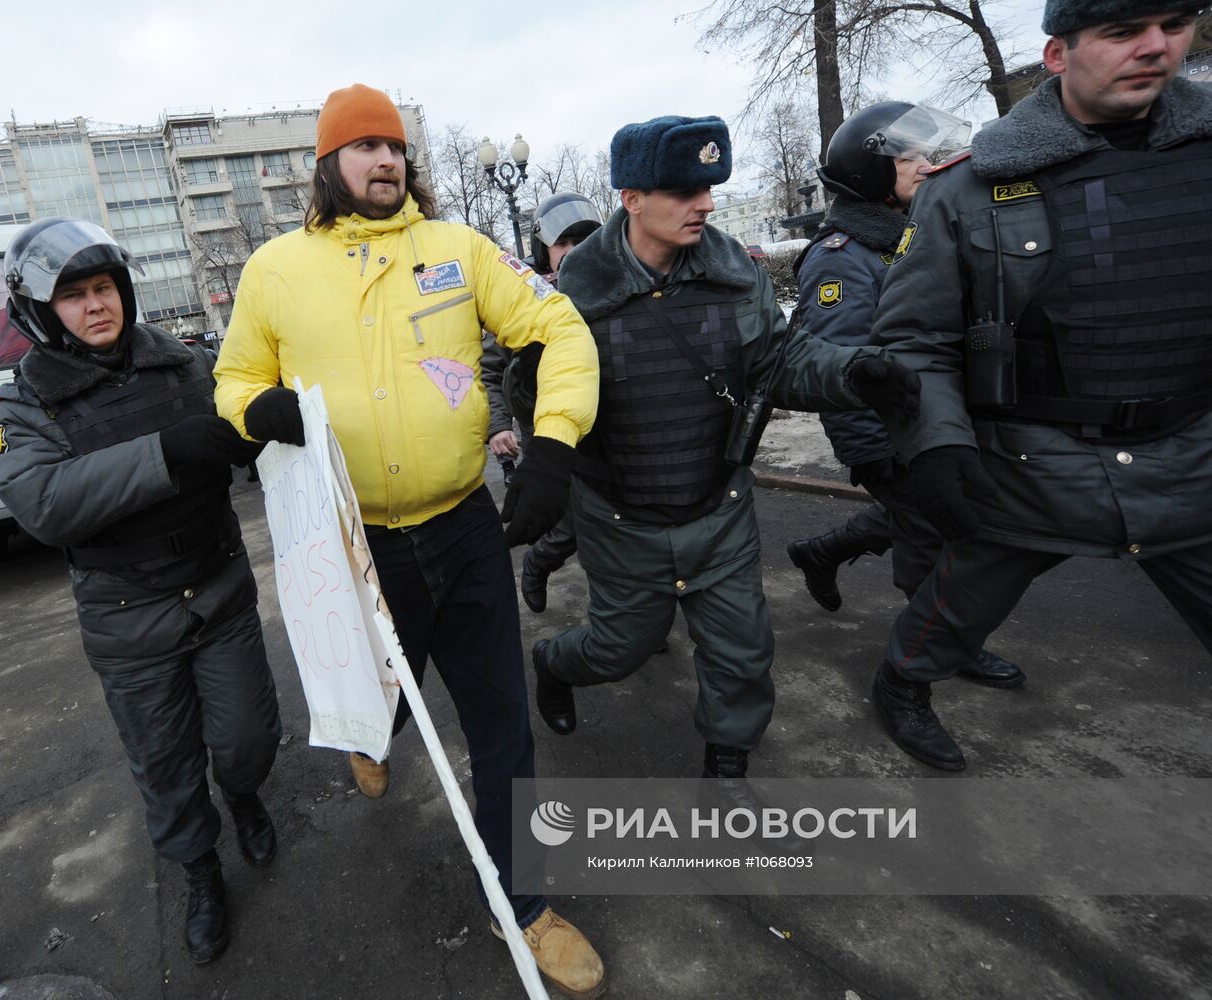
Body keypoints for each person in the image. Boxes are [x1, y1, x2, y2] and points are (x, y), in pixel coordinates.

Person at [212, 84, 606, 998]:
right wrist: (257, 410)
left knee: (500, 727)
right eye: (364, 147)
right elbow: (232, 381)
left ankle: (522, 902)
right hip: (355, 548)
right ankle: (372, 734)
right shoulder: (276, 269)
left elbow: (560, 327)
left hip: (464, 528)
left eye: (394, 146)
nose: (385, 159)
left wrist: (553, 444)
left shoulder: (459, 249)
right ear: (328, 165)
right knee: (382, 698)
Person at [867, 0, 1212, 771]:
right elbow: (912, 339)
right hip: (1033, 468)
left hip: (1194, 459)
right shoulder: (970, 187)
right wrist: (938, 446)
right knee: (957, 608)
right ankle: (902, 685)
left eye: (1174, 24)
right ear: (1058, 54)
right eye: (1122, 32)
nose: (1155, 47)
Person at [529, 113, 920, 783]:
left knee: (742, 655)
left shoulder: (735, 273)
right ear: (632, 199)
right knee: (620, 648)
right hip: (621, 517)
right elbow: (538, 395)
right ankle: (553, 663)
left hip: (719, 507)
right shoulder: (573, 296)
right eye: (686, 191)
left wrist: (855, 372)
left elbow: (780, 360)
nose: (706, 204)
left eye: (709, 188)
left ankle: (728, 762)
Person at [0, 218, 282, 964]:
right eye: (74, 295)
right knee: (168, 768)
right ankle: (200, 871)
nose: (96, 305)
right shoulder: (19, 406)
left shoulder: (185, 363)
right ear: (39, 310)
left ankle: (244, 795)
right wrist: (165, 451)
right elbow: (44, 501)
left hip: (219, 590)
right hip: (128, 619)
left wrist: (262, 422)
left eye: (104, 287)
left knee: (247, 738)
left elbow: (243, 408)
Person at [785, 102, 1024, 688]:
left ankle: (823, 551)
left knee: (927, 513)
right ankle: (934, 655)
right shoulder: (841, 258)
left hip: (932, 422)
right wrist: (874, 453)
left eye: (923, 155)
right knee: (937, 540)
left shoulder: (911, 237)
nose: (924, 166)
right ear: (870, 173)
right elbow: (839, 365)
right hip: (889, 436)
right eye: (908, 158)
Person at [483, 192, 602, 613]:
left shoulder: (616, 286)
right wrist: (499, 425)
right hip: (548, 432)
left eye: (582, 241)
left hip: (609, 429)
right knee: (566, 521)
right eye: (562, 243)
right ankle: (538, 561)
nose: (573, 252)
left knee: (609, 524)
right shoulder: (527, 301)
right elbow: (490, 370)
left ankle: (631, 616)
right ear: (542, 251)